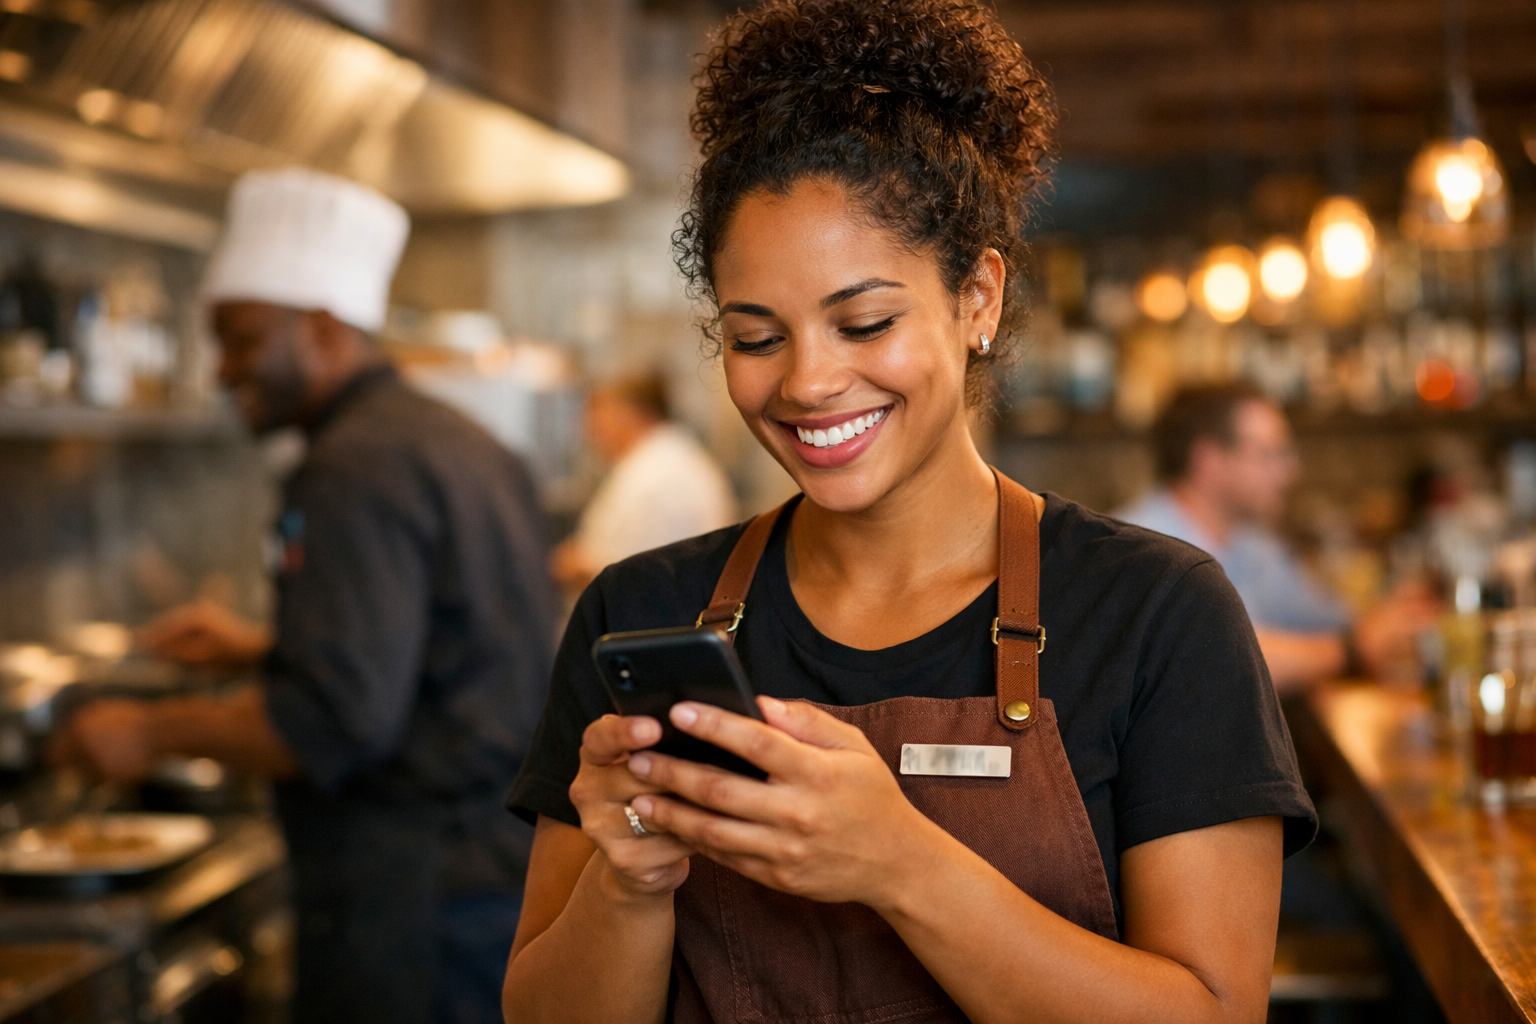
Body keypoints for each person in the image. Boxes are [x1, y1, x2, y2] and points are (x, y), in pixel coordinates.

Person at [502, 4, 1316, 1023]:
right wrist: (627, 881)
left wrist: (902, 864)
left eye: (865, 322)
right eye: (756, 337)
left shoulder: (1158, 614)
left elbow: (1212, 1012)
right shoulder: (643, 610)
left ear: (976, 298)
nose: (808, 381)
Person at [51, 169, 559, 1024]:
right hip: (495, 873)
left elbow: (336, 718)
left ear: (322, 329)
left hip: (408, 903)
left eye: (242, 340)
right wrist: (261, 648)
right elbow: (460, 640)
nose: (222, 369)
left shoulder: (349, 467)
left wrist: (143, 731)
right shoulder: (461, 440)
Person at [1116, 384, 1439, 692]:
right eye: (1271, 454)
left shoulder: (1254, 547)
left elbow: (1321, 618)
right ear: (1209, 461)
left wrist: (1390, 616)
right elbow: (1216, 661)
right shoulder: (1138, 552)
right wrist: (1351, 650)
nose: (1291, 470)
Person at [550, 373, 737, 592]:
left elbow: (628, 575)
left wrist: (566, 566)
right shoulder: (666, 457)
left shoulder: (657, 473)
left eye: (599, 414)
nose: (590, 429)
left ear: (634, 414)